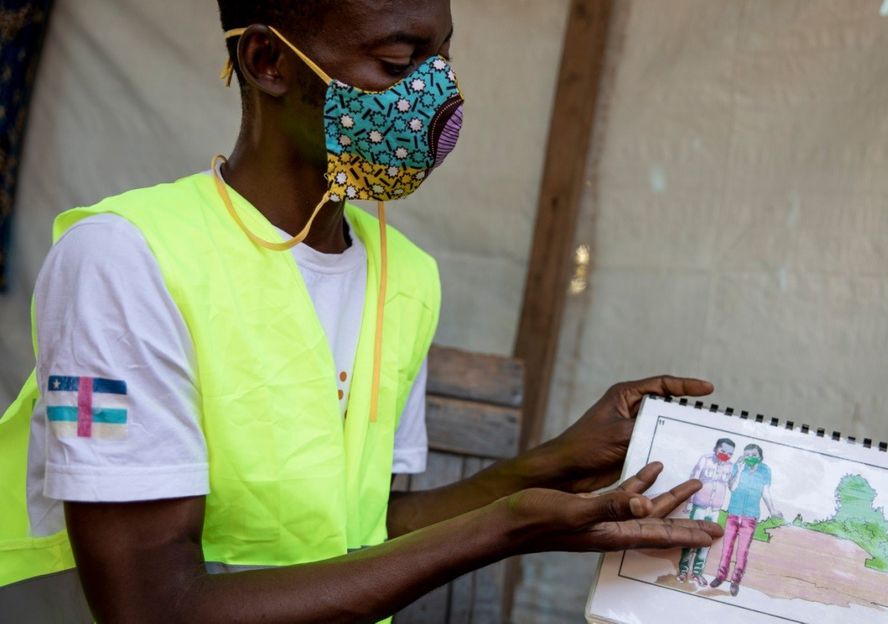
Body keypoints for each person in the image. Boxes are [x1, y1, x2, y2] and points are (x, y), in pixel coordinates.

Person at [0, 1, 724, 621]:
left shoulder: (404, 276)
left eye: (442, 57)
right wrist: (506, 527)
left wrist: (554, 467)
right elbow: (153, 608)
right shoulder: (125, 260)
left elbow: (361, 529)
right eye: (398, 61)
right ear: (267, 61)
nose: (438, 98)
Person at [710, 443, 781, 597]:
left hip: (750, 516)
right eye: (747, 455)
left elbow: (766, 492)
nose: (750, 458)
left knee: (742, 551)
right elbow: (732, 487)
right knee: (727, 547)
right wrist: (740, 471)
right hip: (733, 513)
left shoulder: (765, 470)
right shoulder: (738, 466)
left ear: (760, 456)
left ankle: (735, 580)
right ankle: (720, 576)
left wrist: (773, 510)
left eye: (754, 455)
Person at [675, 437, 735, 586]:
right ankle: (683, 571)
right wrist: (689, 502)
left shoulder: (731, 466)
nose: (725, 455)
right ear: (716, 448)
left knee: (707, 542)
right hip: (699, 505)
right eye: (723, 450)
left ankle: (697, 573)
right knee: (691, 538)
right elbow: (693, 480)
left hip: (715, 508)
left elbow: (732, 486)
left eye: (730, 453)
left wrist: (737, 471)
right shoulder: (705, 459)